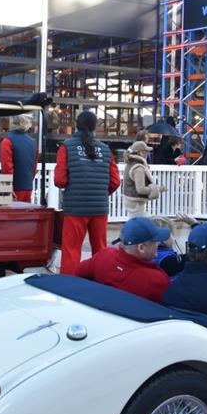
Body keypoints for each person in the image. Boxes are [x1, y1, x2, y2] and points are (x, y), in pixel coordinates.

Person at [54, 110, 121, 275]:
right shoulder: (105, 149)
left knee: (71, 250)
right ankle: (100, 280)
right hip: (99, 207)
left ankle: (69, 284)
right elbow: (115, 181)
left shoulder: (67, 147)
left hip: (75, 208)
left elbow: (60, 180)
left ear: (76, 125)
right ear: (94, 126)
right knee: (101, 250)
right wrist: (100, 192)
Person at [75, 217, 171, 302]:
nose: (159, 243)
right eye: (155, 241)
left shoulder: (103, 256)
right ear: (141, 248)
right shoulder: (156, 281)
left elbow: (77, 273)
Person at [123, 141, 167, 217]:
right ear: (140, 153)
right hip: (135, 202)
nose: (147, 153)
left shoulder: (130, 164)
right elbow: (140, 189)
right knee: (140, 223)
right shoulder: (138, 168)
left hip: (131, 200)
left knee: (135, 222)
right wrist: (158, 189)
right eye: (145, 151)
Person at [0, 113, 37, 202]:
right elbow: (34, 168)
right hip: (28, 186)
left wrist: (8, 186)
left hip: (14, 188)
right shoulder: (33, 142)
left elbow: (7, 168)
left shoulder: (7, 141)